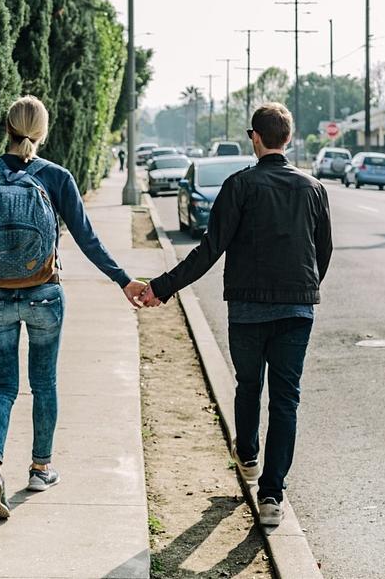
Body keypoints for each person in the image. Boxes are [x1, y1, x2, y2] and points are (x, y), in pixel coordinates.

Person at [140, 102, 332, 527]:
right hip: (298, 310)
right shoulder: (314, 188)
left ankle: (247, 456)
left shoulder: (240, 186)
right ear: (289, 138)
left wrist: (161, 287)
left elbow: (210, 250)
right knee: (286, 399)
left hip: (247, 309)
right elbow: (324, 252)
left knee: (249, 385)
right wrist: (303, 288)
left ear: (255, 138)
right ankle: (271, 497)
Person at [0, 95, 147, 520]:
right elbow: (86, 237)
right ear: (42, 132)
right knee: (44, 383)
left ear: (7, 128)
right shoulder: (57, 177)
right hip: (44, 293)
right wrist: (123, 279)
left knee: (3, 387)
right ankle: (41, 468)